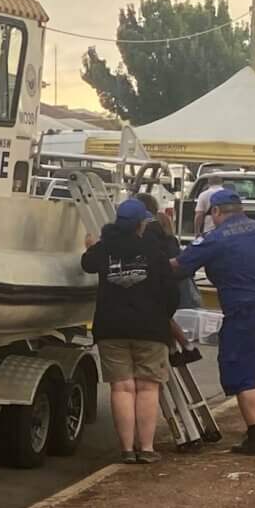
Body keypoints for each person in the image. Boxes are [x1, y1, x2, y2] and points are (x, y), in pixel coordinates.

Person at [175, 185, 255, 457]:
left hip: (245, 314)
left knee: (243, 374)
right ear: (243, 210)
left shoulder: (215, 238)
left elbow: (179, 266)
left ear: (217, 211)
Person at [82, 197, 182, 466]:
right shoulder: (155, 250)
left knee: (122, 388)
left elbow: (87, 264)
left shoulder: (105, 248)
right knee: (148, 388)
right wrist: (164, 317)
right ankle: (146, 449)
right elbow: (172, 293)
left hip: (111, 327)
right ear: (141, 224)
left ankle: (126, 449)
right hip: (150, 328)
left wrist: (91, 246)